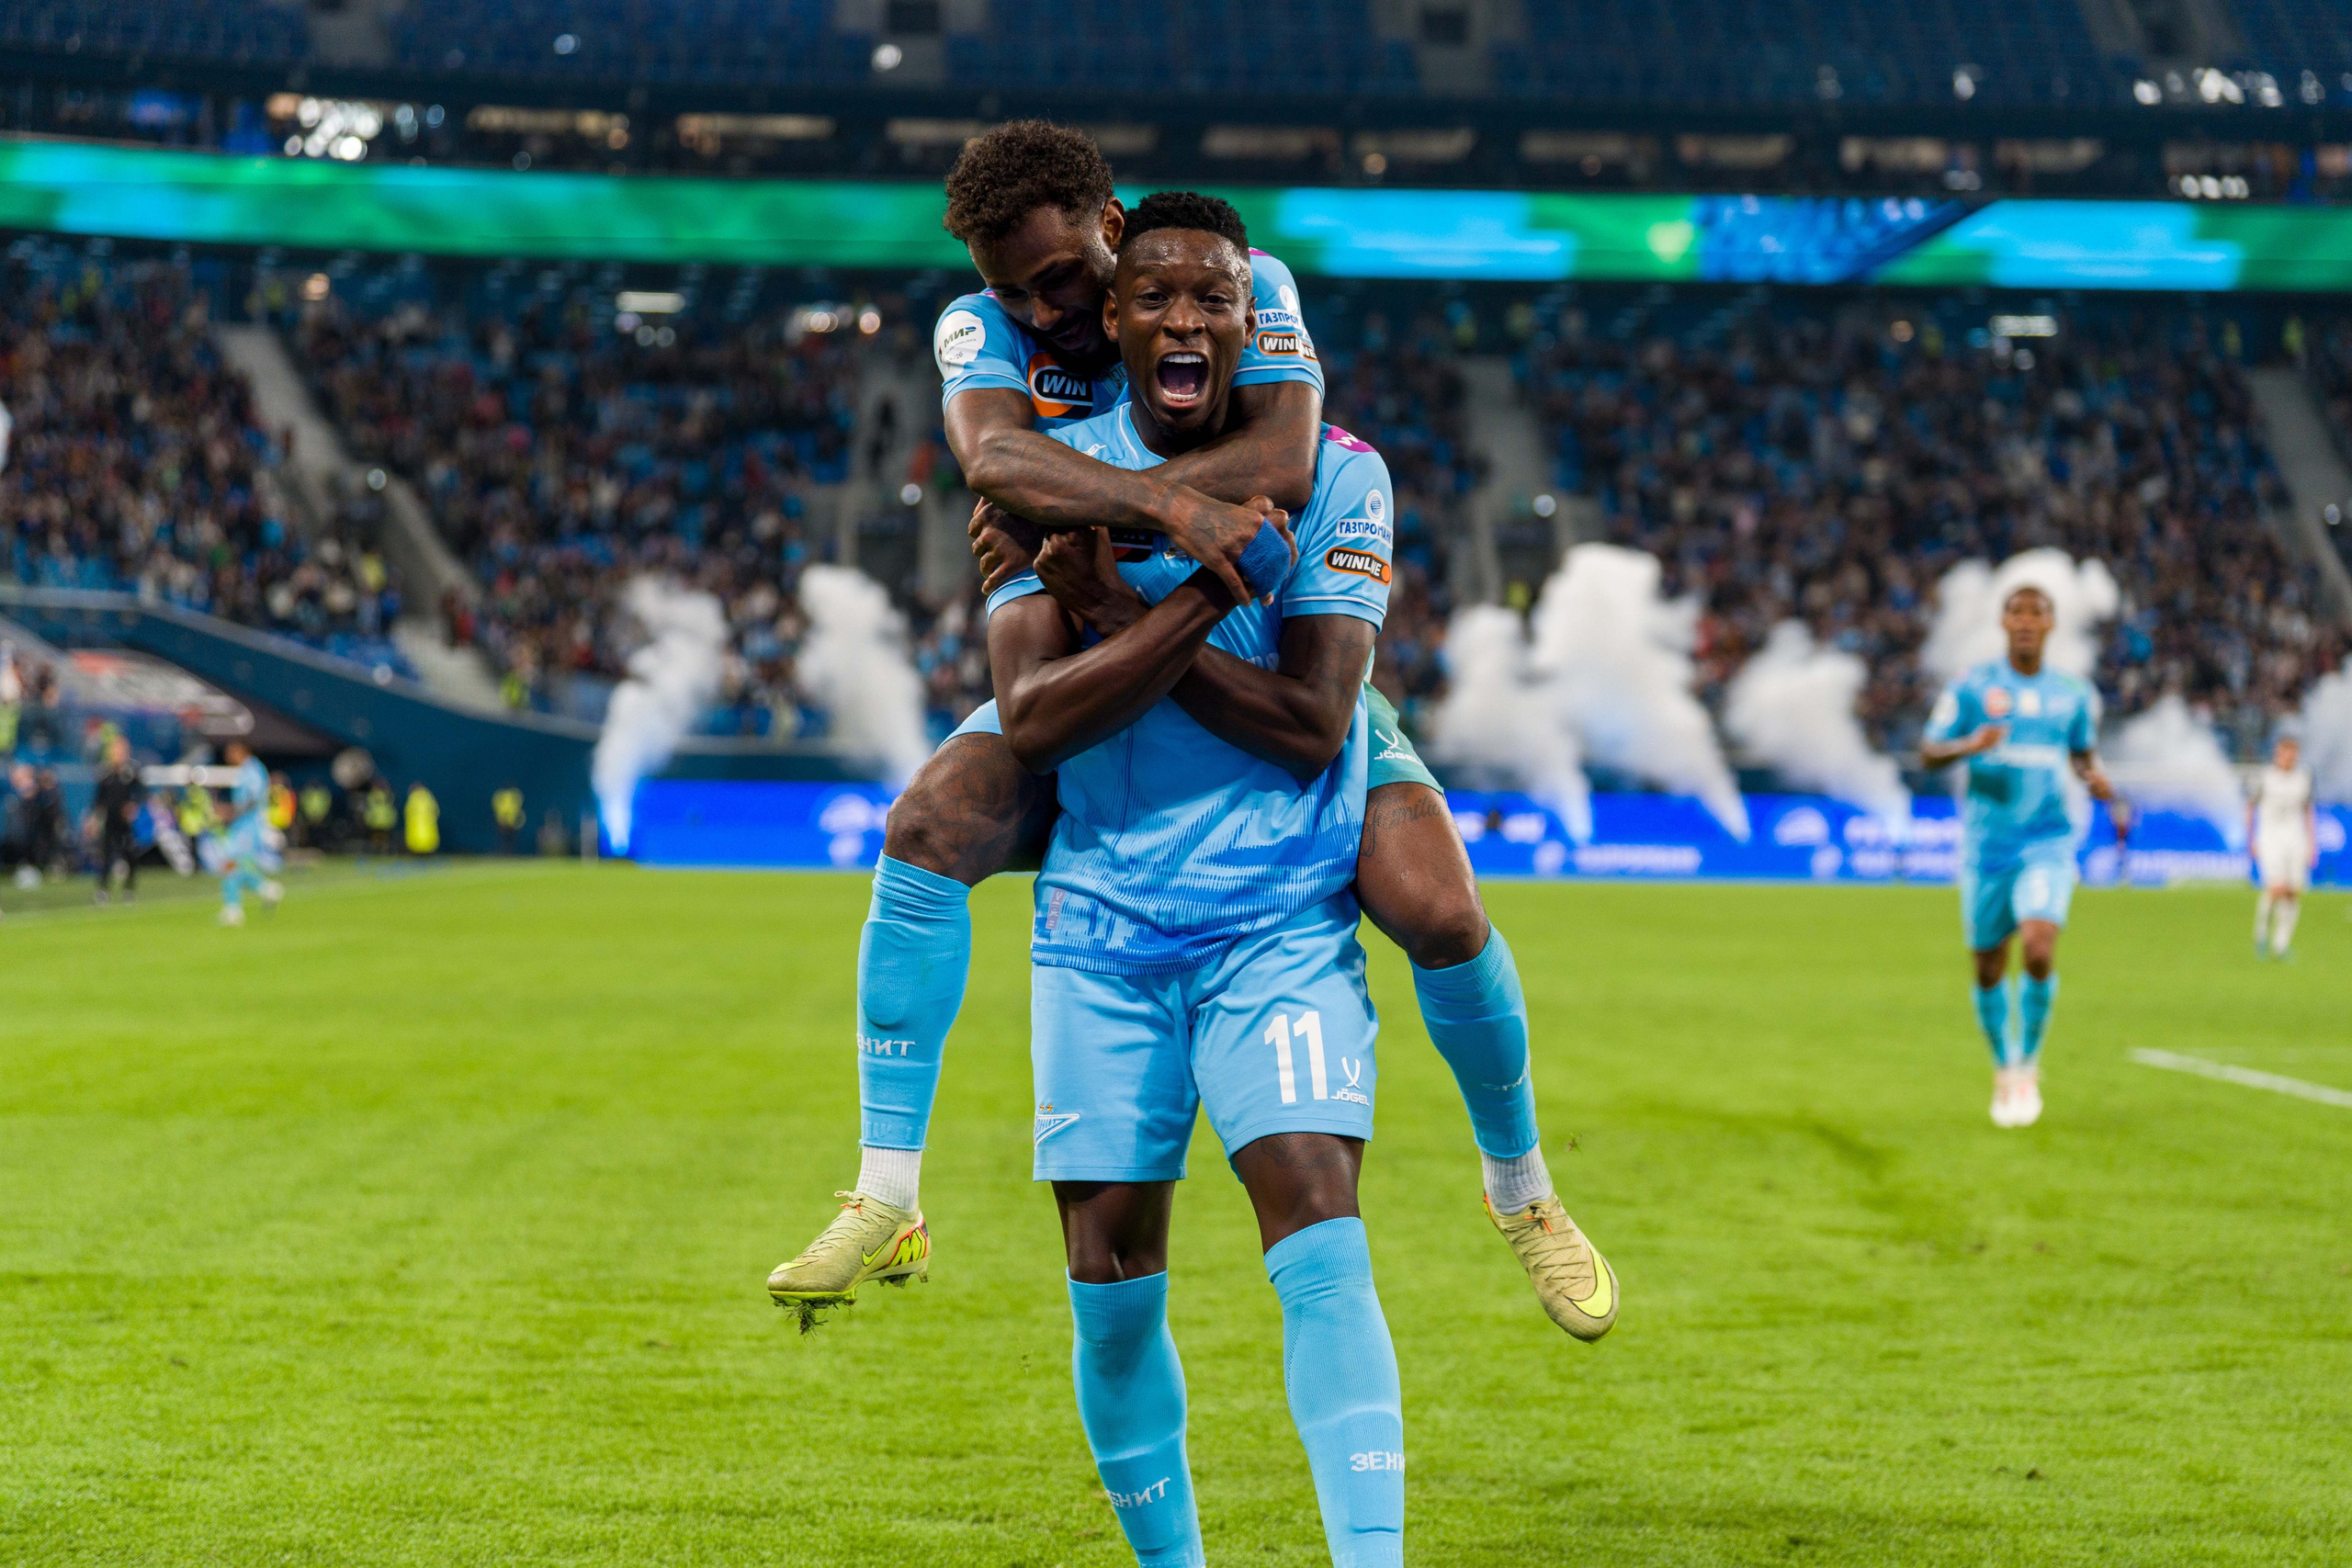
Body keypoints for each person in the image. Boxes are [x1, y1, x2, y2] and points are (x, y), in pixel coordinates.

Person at [772, 124, 1611, 1344]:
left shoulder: (1235, 280)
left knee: (1438, 907)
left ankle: (1523, 1187)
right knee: (926, 825)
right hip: (1102, 658)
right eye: (1014, 290)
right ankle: (886, 1193)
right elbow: (991, 457)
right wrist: (1153, 512)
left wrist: (1083, 508)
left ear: (1111, 226)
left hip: (1256, 649)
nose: (1044, 313)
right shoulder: (978, 326)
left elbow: (1285, 456)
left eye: (1061, 278)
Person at [890, 197, 1403, 1564]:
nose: (1186, 321)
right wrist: (1188, 588)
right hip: (1102, 931)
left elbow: (1311, 729)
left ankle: (1517, 1184)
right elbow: (1037, 721)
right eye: (1157, 301)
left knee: (1322, 1228)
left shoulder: (1339, 472)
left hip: (1277, 918)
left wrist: (1121, 601)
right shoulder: (1047, 482)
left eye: (1212, 301)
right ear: (1112, 317)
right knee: (1110, 1283)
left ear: (1252, 319)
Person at [1920, 585, 2127, 1128]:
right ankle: (2003, 1065)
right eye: (2018, 612)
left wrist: (2093, 777)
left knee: (2038, 946)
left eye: (2038, 613)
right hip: (1988, 847)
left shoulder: (2071, 694)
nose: (2028, 621)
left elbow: (2081, 752)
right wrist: (1969, 745)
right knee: (1989, 966)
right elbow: (1928, 750)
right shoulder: (1973, 686)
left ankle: (2029, 1064)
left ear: (2051, 625)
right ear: (2004, 622)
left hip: (2047, 841)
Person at [2247, 734, 2318, 961]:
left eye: (2293, 753)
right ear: (2277, 753)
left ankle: (2281, 944)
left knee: (2292, 893)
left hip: (2296, 840)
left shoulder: (2303, 778)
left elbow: (2308, 811)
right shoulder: (2264, 777)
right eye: (2285, 752)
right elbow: (2250, 806)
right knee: (2276, 889)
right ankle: (2261, 935)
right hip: (2270, 839)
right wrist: (2250, 838)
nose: (2289, 757)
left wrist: (2312, 843)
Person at [213, 739, 283, 927]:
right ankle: (265, 888)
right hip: (243, 826)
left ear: (242, 750)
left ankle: (234, 910)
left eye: (231, 751)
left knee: (230, 864)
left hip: (249, 827)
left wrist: (231, 812)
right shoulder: (246, 770)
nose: (227, 756)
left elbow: (253, 799)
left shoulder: (252, 770)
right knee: (236, 866)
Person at [90, 735, 142, 904]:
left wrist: (133, 806)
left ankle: (129, 889)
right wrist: (94, 819)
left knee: (130, 854)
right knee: (106, 855)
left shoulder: (132, 771)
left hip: (126, 821)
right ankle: (103, 889)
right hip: (110, 819)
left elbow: (140, 793)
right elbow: (99, 799)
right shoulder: (105, 773)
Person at [404, 782, 440, 856]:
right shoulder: (429, 796)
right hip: (429, 834)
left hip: (414, 832)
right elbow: (436, 811)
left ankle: (418, 852)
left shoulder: (413, 797)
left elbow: (407, 811)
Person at [363, 780, 397, 855]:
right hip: (382, 820)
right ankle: (380, 850)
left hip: (378, 820)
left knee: (380, 836)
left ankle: (380, 850)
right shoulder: (386, 796)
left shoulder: (373, 796)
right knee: (379, 836)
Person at [492, 784, 525, 854]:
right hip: (504, 821)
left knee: (512, 840)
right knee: (503, 839)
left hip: (512, 822)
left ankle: (511, 853)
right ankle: (503, 852)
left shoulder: (515, 794)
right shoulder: (501, 794)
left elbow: (517, 808)